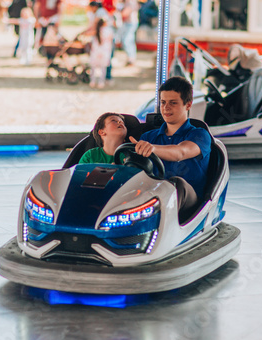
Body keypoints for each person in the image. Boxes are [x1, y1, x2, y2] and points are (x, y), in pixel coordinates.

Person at [129, 76, 212, 219]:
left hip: (187, 202)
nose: (166, 108)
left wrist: (152, 149)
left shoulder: (199, 135)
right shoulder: (148, 137)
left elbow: (180, 152)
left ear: (188, 105)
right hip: (152, 199)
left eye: (173, 103)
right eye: (163, 102)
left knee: (176, 183)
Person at [89, 17, 114, 89]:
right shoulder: (108, 30)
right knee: (103, 69)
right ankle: (101, 82)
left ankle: (92, 81)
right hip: (105, 52)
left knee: (93, 68)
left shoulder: (96, 30)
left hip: (96, 51)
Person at [117, 0, 138, 66]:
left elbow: (126, 13)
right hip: (128, 23)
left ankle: (131, 59)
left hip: (130, 23)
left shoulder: (131, 2)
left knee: (127, 41)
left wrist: (117, 13)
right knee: (128, 40)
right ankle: (130, 59)